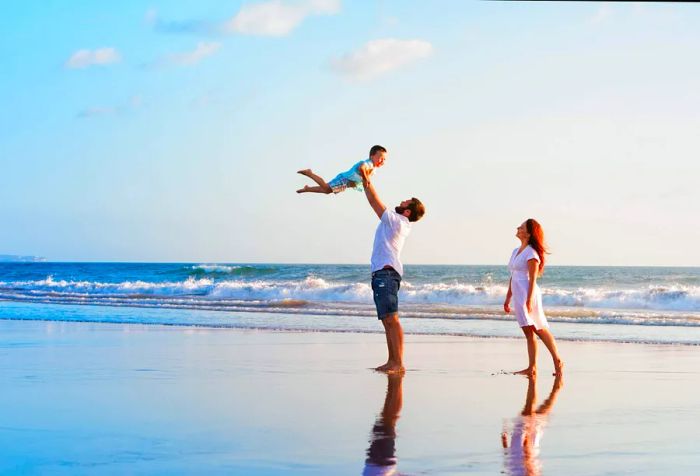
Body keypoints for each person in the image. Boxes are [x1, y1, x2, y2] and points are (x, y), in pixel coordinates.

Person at [361, 166, 425, 373]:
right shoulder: (397, 222)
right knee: (387, 320)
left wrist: (365, 178)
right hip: (383, 273)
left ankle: (397, 363)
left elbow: (373, 201)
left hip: (386, 273)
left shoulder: (397, 221)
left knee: (392, 318)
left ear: (407, 211)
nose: (401, 202)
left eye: (405, 203)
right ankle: (392, 361)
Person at [503, 219, 564, 376]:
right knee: (528, 331)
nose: (518, 228)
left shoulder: (531, 253)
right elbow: (513, 275)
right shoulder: (516, 251)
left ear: (528, 234)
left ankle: (557, 361)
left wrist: (529, 299)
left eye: (521, 227)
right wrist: (508, 297)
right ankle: (532, 367)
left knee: (538, 328)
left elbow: (533, 278)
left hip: (527, 293)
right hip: (518, 292)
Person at [501, 374, 564, 475]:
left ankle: (555, 388)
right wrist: (527, 435)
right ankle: (535, 381)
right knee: (531, 412)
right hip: (524, 445)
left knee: (538, 414)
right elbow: (528, 463)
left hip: (521, 448)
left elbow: (510, 462)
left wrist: (505, 445)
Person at [296, 145, 387, 194]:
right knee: (326, 188)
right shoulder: (369, 163)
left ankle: (307, 189)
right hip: (344, 179)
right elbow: (361, 168)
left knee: (327, 190)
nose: (382, 161)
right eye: (380, 158)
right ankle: (310, 173)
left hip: (346, 182)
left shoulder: (373, 168)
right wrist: (366, 178)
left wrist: (360, 182)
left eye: (384, 160)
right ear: (372, 156)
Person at [363, 374, 404, 476]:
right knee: (388, 420)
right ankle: (396, 381)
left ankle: (396, 380)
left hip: (379, 464)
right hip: (382, 465)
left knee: (387, 420)